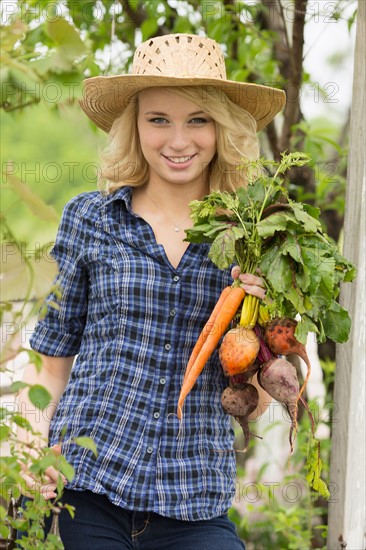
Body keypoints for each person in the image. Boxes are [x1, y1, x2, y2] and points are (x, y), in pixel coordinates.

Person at [17, 33, 286, 549]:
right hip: (90, 485)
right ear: (134, 128)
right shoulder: (90, 219)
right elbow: (52, 362)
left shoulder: (253, 239)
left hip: (194, 500)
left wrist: (254, 350)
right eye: (158, 119)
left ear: (221, 128)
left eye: (197, 120)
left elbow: (252, 404)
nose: (177, 141)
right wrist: (29, 446)